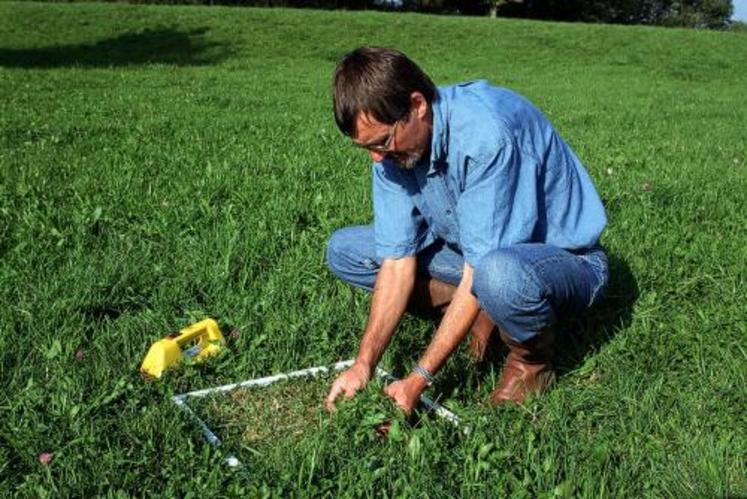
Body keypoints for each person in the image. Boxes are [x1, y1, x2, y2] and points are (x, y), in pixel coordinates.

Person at [324, 47, 609, 414]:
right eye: (364, 147)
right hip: (480, 255)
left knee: (497, 274)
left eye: (381, 142)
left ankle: (531, 363)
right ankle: (482, 312)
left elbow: (480, 266)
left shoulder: (487, 135)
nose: (376, 158)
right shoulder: (391, 152)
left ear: (417, 105)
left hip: (566, 263)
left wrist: (417, 378)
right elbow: (397, 260)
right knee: (346, 249)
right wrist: (363, 364)